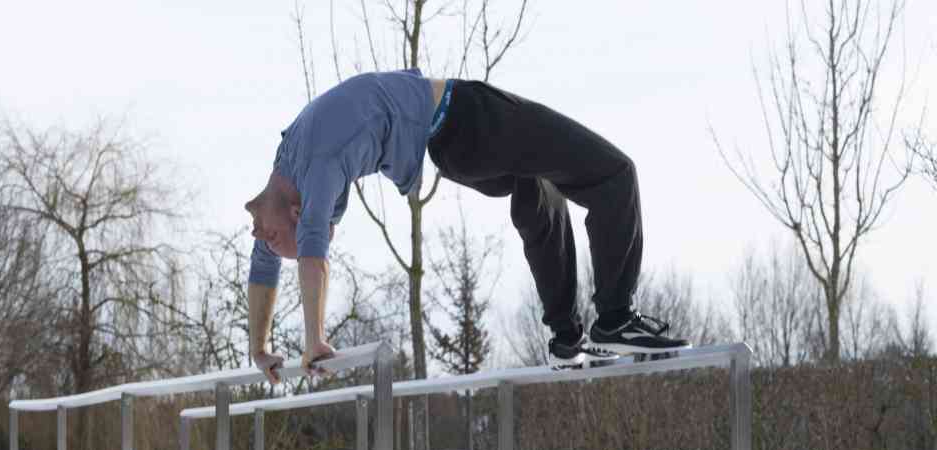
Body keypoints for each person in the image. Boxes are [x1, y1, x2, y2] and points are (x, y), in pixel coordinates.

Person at [244, 68, 689, 382]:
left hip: (459, 145)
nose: (321, 225)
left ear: (268, 223)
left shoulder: (296, 173)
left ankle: (565, 337)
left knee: (539, 192)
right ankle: (615, 317)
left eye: (295, 233)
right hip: (468, 122)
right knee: (614, 174)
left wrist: (264, 345)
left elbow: (281, 257)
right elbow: (304, 255)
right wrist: (304, 341)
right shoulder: (301, 174)